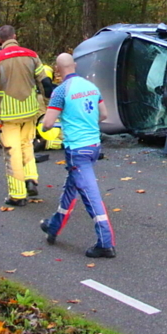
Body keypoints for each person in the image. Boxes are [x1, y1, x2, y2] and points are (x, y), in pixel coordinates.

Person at [39, 53, 115, 258]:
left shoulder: (61, 91)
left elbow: (47, 123)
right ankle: (53, 227)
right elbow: (104, 115)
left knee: (91, 195)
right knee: (70, 188)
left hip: (77, 149)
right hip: (93, 146)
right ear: (74, 65)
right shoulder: (91, 86)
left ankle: (105, 242)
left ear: (57, 69)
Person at [0, 25, 54, 206]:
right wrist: (49, 108)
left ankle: (17, 195)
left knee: (12, 151)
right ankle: (31, 178)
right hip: (30, 111)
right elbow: (46, 83)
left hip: (7, 114)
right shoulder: (32, 56)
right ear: (15, 36)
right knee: (27, 145)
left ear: (0, 39)